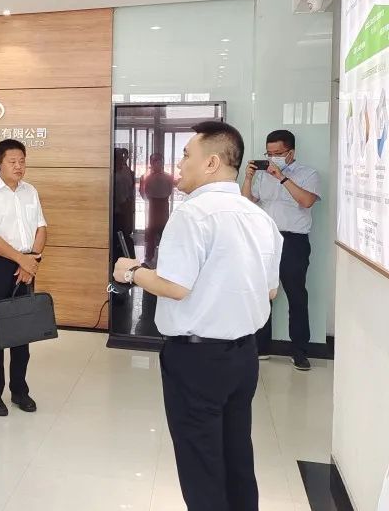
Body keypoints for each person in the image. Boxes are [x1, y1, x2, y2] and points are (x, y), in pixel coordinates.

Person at [113, 120, 282, 511]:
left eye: (187, 154)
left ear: (212, 162)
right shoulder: (259, 217)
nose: (180, 162)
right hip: (244, 356)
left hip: (197, 358)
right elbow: (270, 290)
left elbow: (175, 286)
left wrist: (131, 272)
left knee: (201, 464)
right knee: (237, 455)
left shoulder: (192, 214)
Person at [0, 138, 47, 417]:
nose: (19, 166)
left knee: (22, 330)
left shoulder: (30, 191)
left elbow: (41, 228)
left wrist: (31, 260)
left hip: (28, 264)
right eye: (12, 161)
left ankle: (19, 390)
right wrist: (21, 259)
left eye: (22, 161)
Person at [241, 129, 321, 371]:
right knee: (263, 293)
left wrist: (282, 178)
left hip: (293, 241)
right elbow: (246, 201)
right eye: (269, 153)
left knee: (296, 296)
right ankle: (260, 347)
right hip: (264, 240)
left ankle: (299, 352)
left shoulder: (308, 174)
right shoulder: (262, 175)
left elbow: (307, 201)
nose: (272, 157)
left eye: (278, 153)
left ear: (291, 152)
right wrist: (248, 178)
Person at [140, 152, 175, 266]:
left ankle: (166, 256)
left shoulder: (168, 177)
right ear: (151, 163)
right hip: (153, 205)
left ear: (162, 163)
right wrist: (151, 198)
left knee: (164, 231)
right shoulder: (146, 177)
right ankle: (149, 256)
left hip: (163, 204)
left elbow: (170, 189)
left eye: (159, 161)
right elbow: (143, 192)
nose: (157, 164)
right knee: (151, 231)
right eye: (154, 161)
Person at [112, 148, 136, 253]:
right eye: (119, 158)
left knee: (125, 235)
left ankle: (128, 257)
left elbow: (131, 187)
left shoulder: (126, 171)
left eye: (122, 157)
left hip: (125, 207)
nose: (122, 160)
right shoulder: (112, 173)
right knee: (117, 236)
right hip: (115, 210)